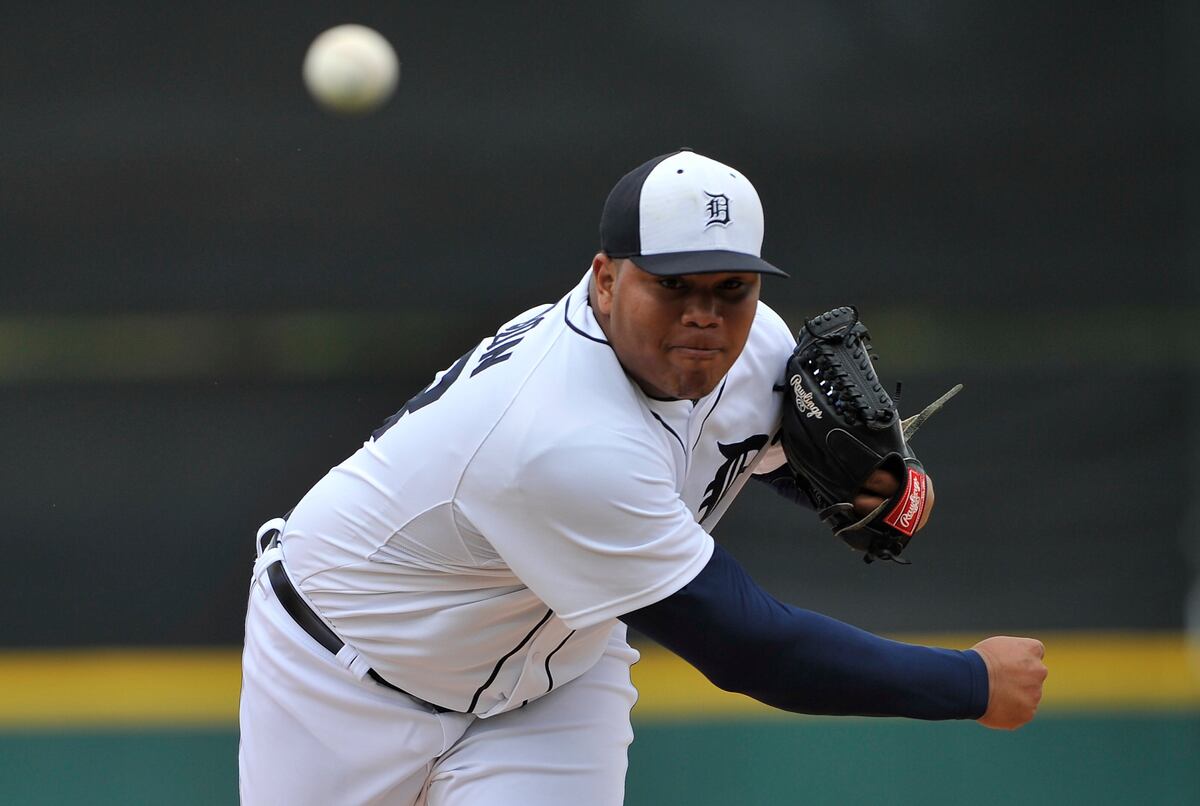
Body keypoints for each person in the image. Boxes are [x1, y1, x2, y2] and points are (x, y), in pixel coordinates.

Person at [238, 149, 1047, 805]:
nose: (705, 314)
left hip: (551, 683)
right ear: (604, 279)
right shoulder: (559, 438)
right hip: (339, 675)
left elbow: (743, 451)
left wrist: (854, 490)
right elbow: (749, 648)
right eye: (673, 284)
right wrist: (968, 682)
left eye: (731, 286)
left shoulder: (755, 346)